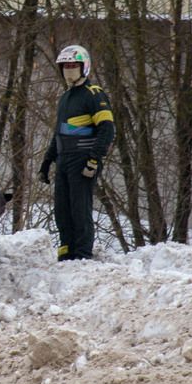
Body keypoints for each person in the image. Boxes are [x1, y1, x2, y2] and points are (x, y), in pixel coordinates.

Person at [38, 45, 115, 261]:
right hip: (63, 160)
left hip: (82, 159)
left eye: (74, 66)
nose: (69, 70)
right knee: (62, 210)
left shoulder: (94, 94)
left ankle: (82, 255)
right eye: (66, 66)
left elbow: (107, 129)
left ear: (84, 67)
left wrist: (94, 159)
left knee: (80, 209)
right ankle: (66, 252)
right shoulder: (65, 98)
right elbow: (59, 133)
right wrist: (47, 161)